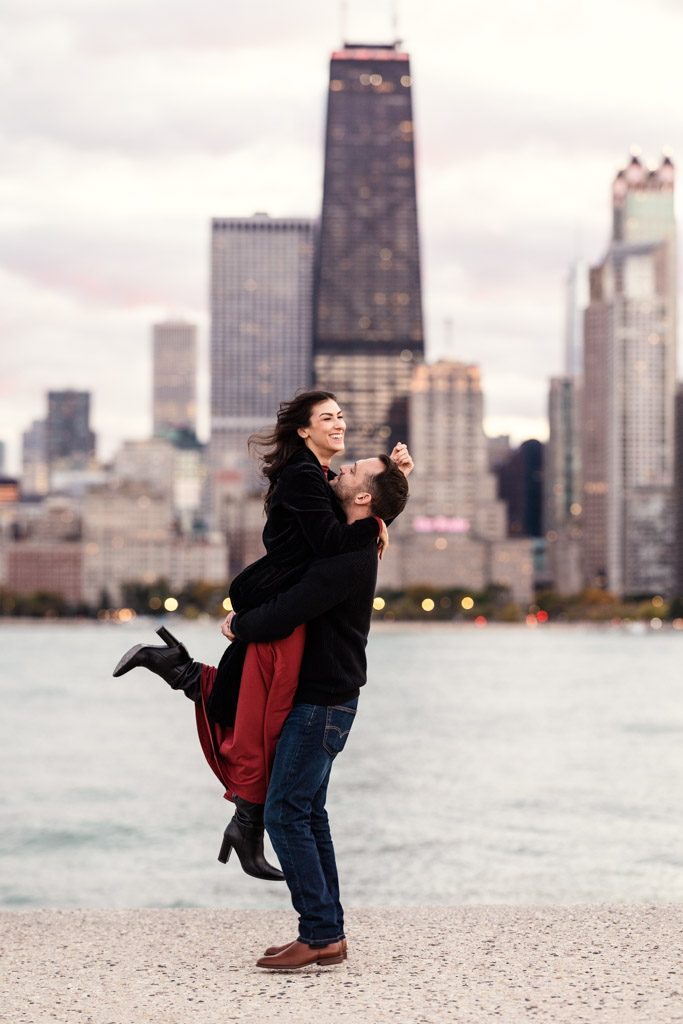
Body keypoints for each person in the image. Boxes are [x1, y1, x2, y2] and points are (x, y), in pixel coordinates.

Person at [113, 390, 413, 881]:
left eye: (341, 416)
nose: (339, 425)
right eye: (327, 418)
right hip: (276, 597)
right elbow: (339, 539)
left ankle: (184, 679)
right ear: (303, 430)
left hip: (284, 607)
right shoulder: (305, 476)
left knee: (260, 711)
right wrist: (380, 518)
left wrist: (393, 492)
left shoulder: (317, 478)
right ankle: (249, 823)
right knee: (260, 715)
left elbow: (355, 523)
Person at [222, 454, 409, 969]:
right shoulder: (353, 539)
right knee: (310, 814)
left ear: (364, 497)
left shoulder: (350, 556)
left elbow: (292, 608)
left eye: (351, 472)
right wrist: (397, 481)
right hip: (328, 701)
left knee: (284, 813)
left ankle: (319, 933)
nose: (340, 470)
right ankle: (329, 933)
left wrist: (241, 625)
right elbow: (359, 514)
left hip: (321, 704)